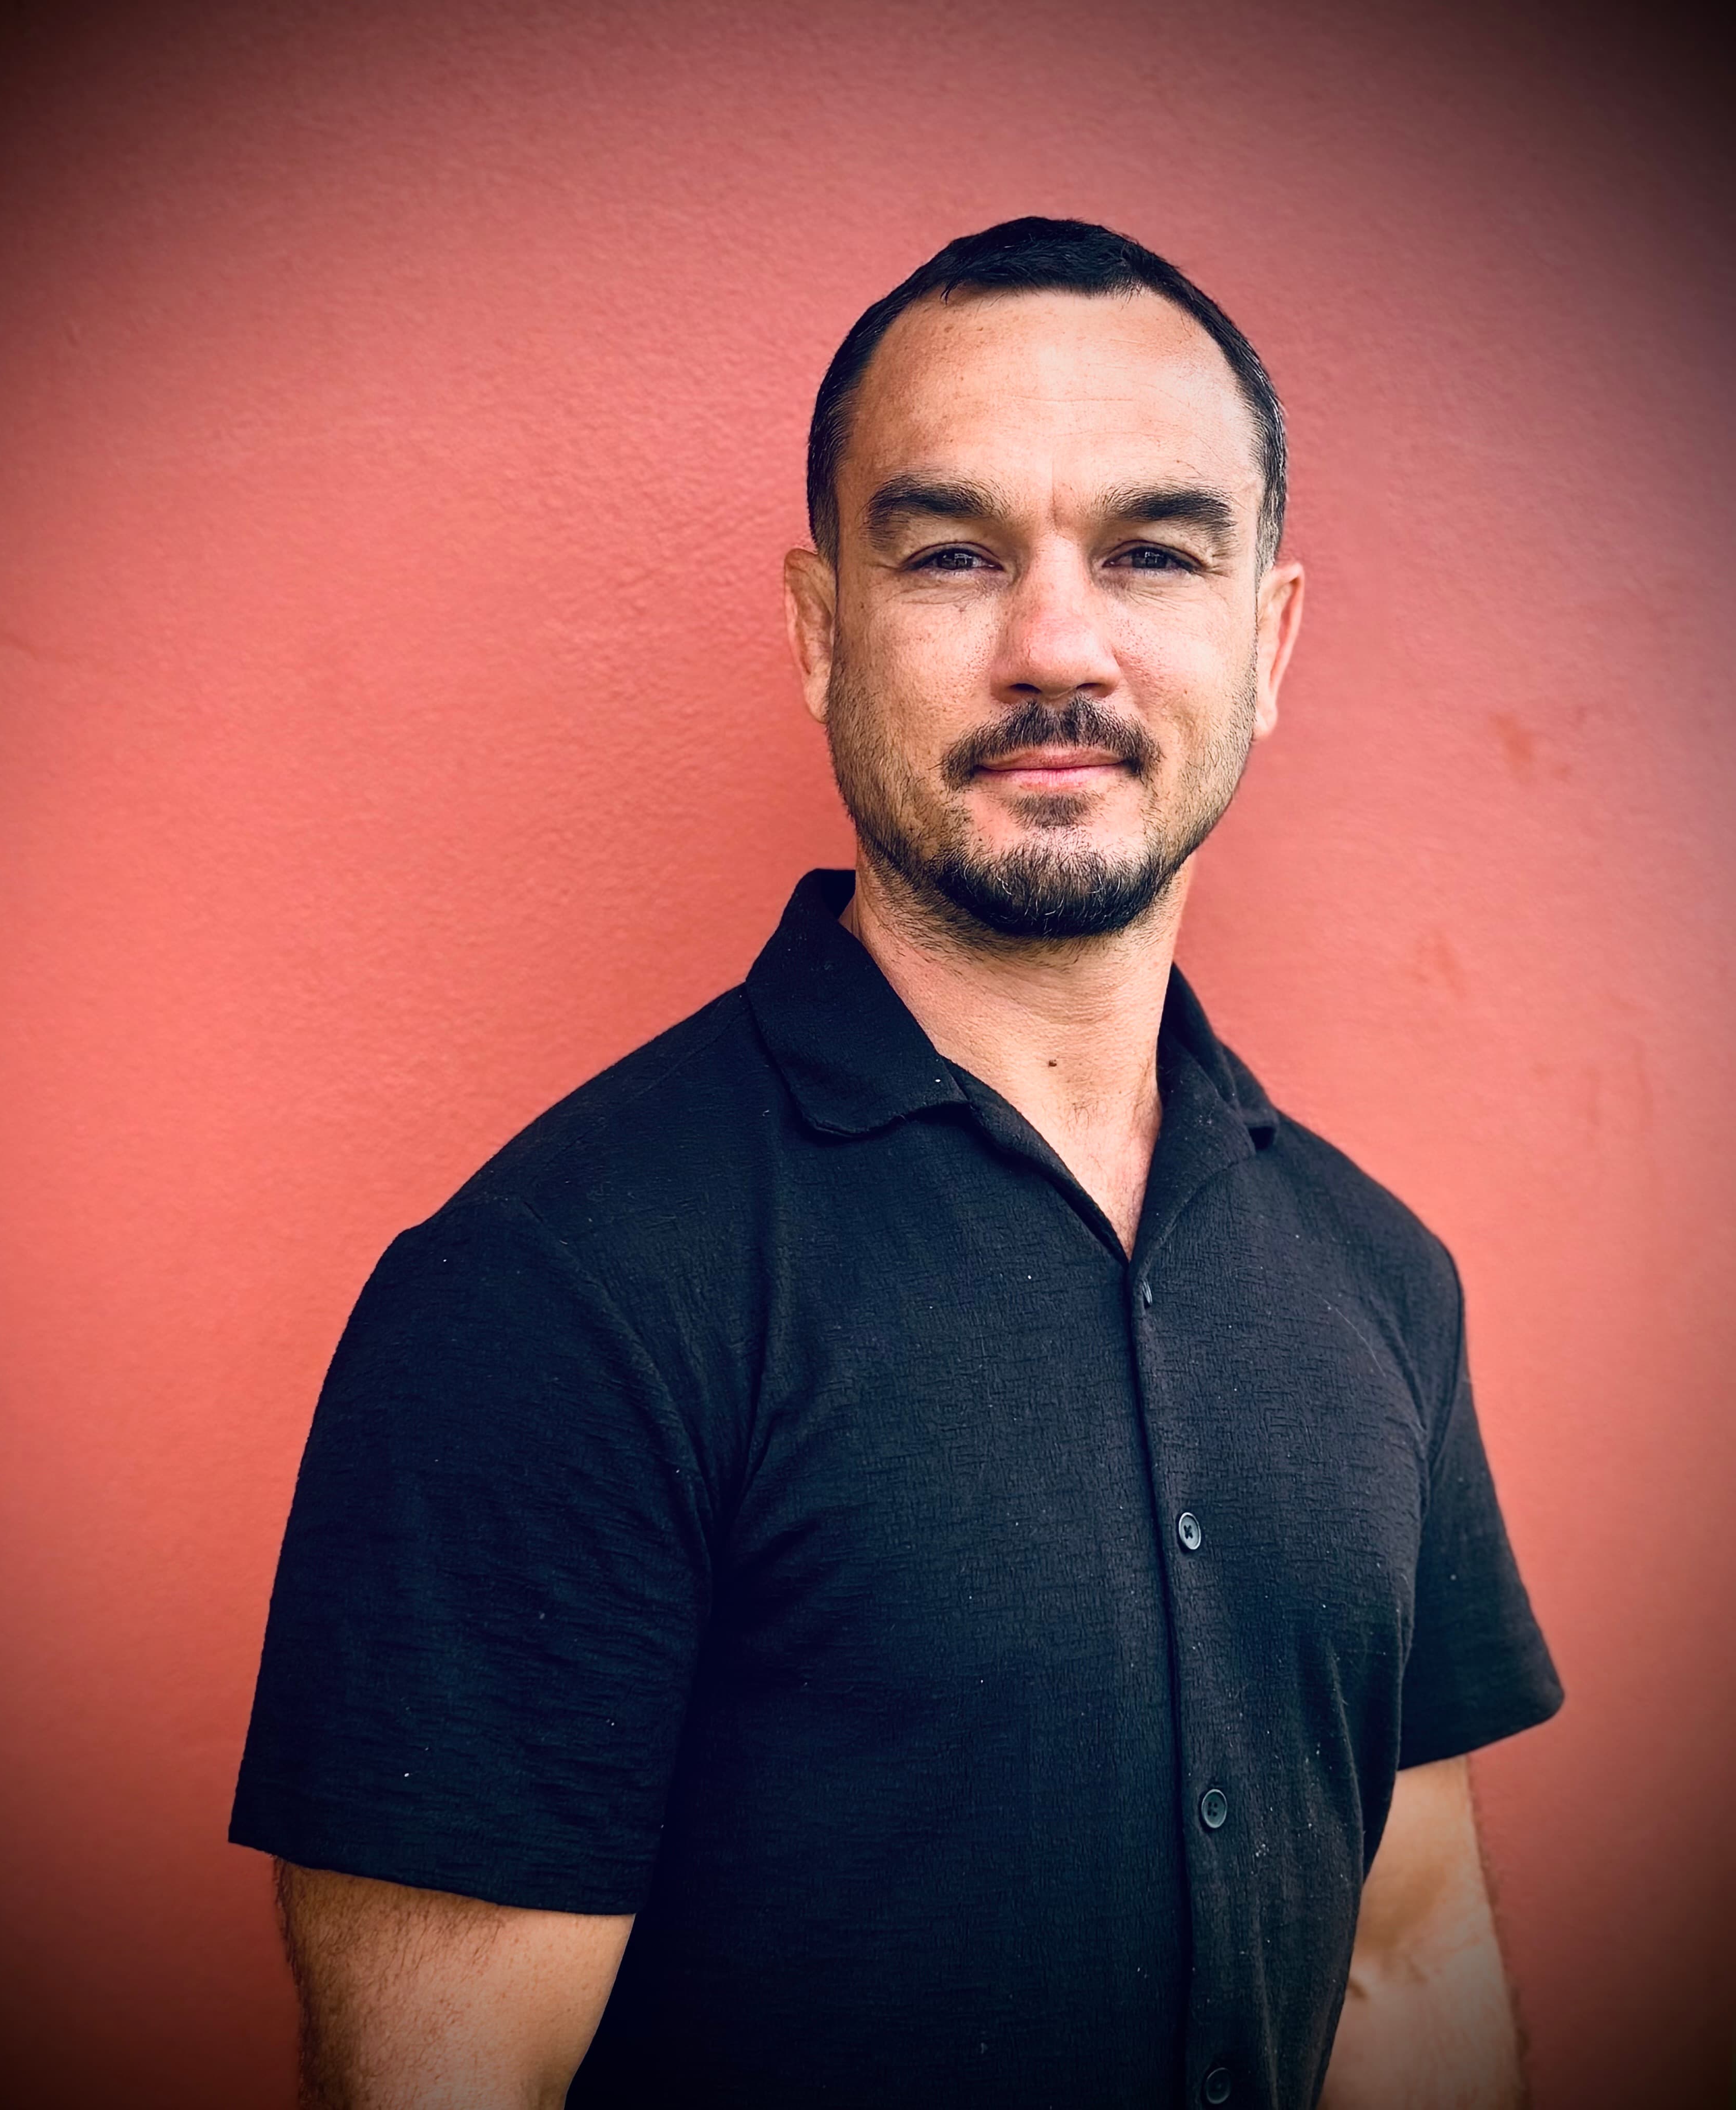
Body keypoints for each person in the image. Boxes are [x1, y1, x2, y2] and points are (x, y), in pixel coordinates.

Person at [231, 217, 1562, 2109]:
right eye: (952, 553)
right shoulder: (550, 1295)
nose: (1056, 647)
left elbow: (1407, 1958)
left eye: (1153, 553)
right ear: (818, 627)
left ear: (1268, 642)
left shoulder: (1378, 1279)